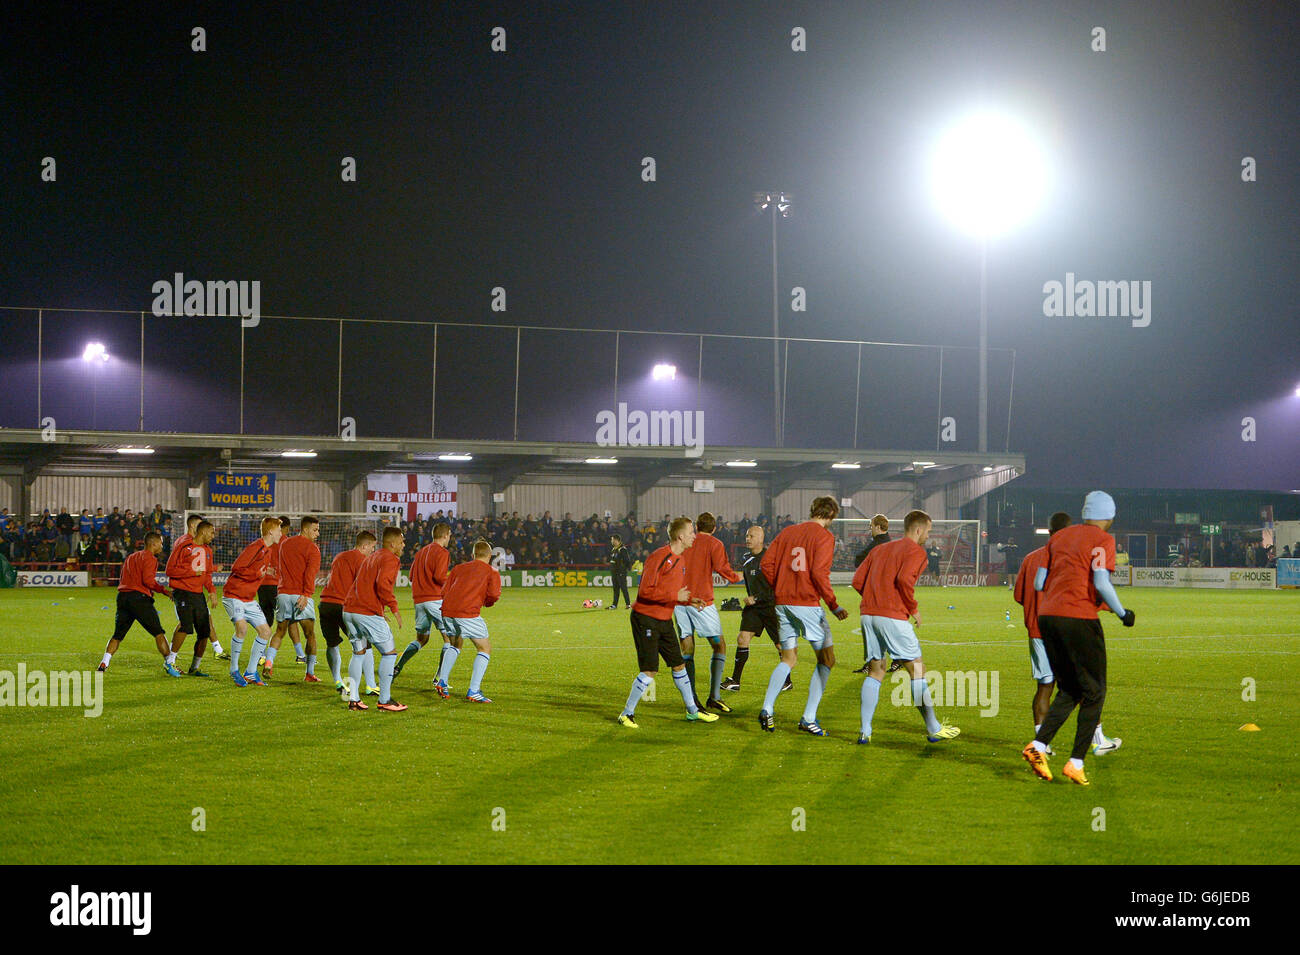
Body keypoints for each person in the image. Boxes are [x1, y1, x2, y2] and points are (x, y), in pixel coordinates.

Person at [1022, 491, 1135, 786]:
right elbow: (1101, 582)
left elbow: (1039, 582)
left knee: (1070, 690)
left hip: (1047, 618)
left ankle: (1038, 745)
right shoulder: (1103, 539)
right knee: (1095, 692)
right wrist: (1123, 614)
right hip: (1078, 618)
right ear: (1108, 517)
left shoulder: (1059, 537)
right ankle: (1076, 762)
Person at [853, 510, 960, 745]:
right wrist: (913, 608)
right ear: (918, 529)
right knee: (917, 669)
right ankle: (933, 728)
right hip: (891, 616)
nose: (927, 536)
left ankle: (865, 731)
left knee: (876, 671)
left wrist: (874, 599)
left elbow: (857, 581)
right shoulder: (916, 552)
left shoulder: (879, 549)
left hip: (868, 615)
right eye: (928, 531)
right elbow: (903, 580)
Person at [757, 496, 850, 736]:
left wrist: (781, 586)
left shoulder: (788, 532)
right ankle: (808, 718)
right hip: (807, 604)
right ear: (831, 515)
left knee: (788, 659)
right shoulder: (824, 537)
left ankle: (767, 708)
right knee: (827, 660)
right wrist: (833, 604)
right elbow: (819, 573)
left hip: (782, 604)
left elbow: (766, 564)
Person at [616, 517, 719, 728]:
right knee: (650, 670)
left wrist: (690, 599)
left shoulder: (681, 560)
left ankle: (693, 711)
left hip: (663, 619)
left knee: (679, 665)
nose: (694, 535)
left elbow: (675, 594)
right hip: (646, 619)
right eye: (691, 532)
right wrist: (676, 596)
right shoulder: (659, 557)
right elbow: (645, 592)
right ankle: (627, 714)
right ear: (680, 536)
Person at [675, 512, 742, 713]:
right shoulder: (714, 543)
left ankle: (692, 699)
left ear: (696, 526)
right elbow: (722, 568)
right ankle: (714, 696)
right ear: (714, 528)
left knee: (687, 648)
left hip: (679, 601)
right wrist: (736, 577)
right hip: (701, 601)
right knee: (719, 645)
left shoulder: (685, 542)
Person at [720, 523, 791, 694]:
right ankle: (735, 680)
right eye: (747, 536)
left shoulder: (771, 559)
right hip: (754, 609)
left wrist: (757, 597)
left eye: (751, 536)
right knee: (742, 638)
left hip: (771, 607)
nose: (747, 539)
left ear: (761, 539)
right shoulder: (746, 558)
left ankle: (787, 681)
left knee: (780, 645)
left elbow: (778, 586)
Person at [342, 526, 408, 712]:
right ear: (392, 543)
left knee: (358, 653)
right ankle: (385, 700)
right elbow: (382, 584)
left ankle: (353, 699)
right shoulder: (390, 558)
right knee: (389, 653)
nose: (403, 545)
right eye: (401, 542)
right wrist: (393, 608)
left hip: (349, 610)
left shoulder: (373, 556)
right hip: (366, 612)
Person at [96, 532, 179, 676]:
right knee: (159, 633)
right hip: (139, 599)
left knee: (118, 635)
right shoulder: (151, 559)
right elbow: (148, 581)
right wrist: (166, 592)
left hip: (123, 598)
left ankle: (104, 662)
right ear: (153, 543)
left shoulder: (131, 557)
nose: (162, 546)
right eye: (160, 543)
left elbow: (123, 578)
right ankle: (170, 664)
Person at [436, 539, 503, 702]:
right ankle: (474, 690)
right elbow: (494, 595)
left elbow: (444, 591)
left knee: (455, 644)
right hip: (467, 613)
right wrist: (486, 603)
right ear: (490, 556)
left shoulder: (458, 568)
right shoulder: (491, 572)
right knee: (484, 648)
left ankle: (442, 681)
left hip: (447, 612)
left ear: (473, 555)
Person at [222, 516, 283, 687]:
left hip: (248, 598)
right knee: (242, 628)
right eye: (279, 530)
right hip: (234, 595)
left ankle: (250, 672)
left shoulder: (268, 550)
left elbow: (256, 569)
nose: (281, 533)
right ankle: (234, 670)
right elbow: (237, 568)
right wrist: (258, 574)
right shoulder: (256, 547)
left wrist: (266, 571)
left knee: (265, 632)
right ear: (270, 531)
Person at [319, 530, 378, 692]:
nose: (373, 550)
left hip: (325, 604)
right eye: (372, 547)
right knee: (364, 643)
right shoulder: (363, 560)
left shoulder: (339, 556)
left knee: (332, 643)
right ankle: (371, 685)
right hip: (343, 605)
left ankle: (338, 681)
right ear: (364, 546)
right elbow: (362, 588)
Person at [266, 516, 323, 682]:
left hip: (283, 593)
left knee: (279, 631)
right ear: (305, 529)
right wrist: (306, 594)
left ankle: (269, 663)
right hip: (300, 595)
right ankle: (310, 673)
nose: (317, 533)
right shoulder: (313, 549)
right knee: (310, 635)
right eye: (315, 529)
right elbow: (310, 575)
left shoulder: (285, 543)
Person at [394, 522, 452, 683]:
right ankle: (440, 679)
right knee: (450, 640)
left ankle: (398, 666)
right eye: (449, 536)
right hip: (434, 600)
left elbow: (411, 577)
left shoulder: (421, 552)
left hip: (419, 601)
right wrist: (452, 581)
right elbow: (440, 577)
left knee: (421, 639)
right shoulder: (442, 552)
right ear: (446, 535)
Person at [164, 518, 218, 676]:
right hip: (183, 592)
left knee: (205, 632)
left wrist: (212, 591)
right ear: (203, 531)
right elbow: (170, 570)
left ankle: (194, 667)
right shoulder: (183, 546)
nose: (213, 536)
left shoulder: (208, 551)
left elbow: (207, 574)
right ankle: (169, 662)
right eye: (212, 532)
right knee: (186, 626)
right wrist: (191, 572)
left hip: (198, 594)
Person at [851, 514, 891, 673]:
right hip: (884, 591)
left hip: (876, 592)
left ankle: (897, 659)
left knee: (875, 629)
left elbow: (858, 559)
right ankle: (890, 660)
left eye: (871, 525)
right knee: (881, 628)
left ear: (878, 527)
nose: (870, 528)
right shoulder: (889, 543)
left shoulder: (878, 544)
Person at [608, 534, 632, 609]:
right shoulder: (614, 549)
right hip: (614, 572)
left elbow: (627, 560)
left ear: (616, 540)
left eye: (612, 540)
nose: (611, 541)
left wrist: (624, 569)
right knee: (615, 589)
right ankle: (614, 605)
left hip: (620, 572)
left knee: (623, 588)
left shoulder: (622, 549)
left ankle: (628, 604)